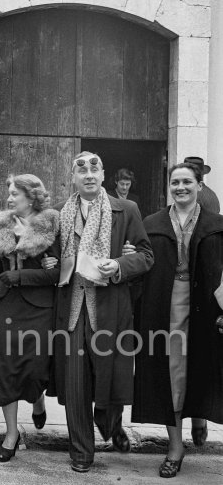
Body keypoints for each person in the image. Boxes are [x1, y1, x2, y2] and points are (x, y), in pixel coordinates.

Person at [49, 151, 153, 473]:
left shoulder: (126, 210)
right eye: (82, 172)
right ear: (74, 178)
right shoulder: (61, 215)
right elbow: (54, 258)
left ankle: (109, 422)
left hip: (109, 308)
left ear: (103, 176)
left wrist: (121, 263)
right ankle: (81, 451)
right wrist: (49, 263)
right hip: (73, 311)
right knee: (76, 382)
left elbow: (147, 255)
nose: (89, 176)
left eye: (95, 170)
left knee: (111, 380)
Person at [132, 162, 223, 478]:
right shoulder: (152, 222)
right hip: (163, 306)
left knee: (200, 365)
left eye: (187, 181)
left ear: (200, 185)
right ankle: (175, 446)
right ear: (168, 187)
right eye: (175, 182)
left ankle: (199, 417)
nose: (180, 187)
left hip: (204, 308)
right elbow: (140, 264)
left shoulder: (216, 224)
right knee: (170, 371)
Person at [0, 174, 60, 463]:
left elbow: (56, 273)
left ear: (32, 196)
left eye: (16, 194)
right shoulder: (2, 224)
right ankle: (11, 434)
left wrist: (20, 276)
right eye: (9, 193)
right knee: (5, 370)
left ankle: (37, 401)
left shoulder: (51, 225)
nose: (10, 198)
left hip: (38, 309)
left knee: (36, 369)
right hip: (6, 307)